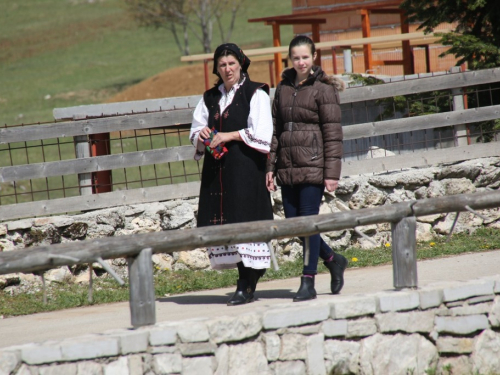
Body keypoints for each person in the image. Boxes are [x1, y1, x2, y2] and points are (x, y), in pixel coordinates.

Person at [189, 43, 274, 306]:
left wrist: (229, 135)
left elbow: (262, 134)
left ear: (241, 64)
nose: (227, 69)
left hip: (247, 170)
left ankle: (245, 283)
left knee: (245, 223)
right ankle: (246, 281)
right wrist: (201, 135)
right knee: (228, 226)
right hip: (218, 173)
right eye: (222, 65)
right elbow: (195, 131)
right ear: (216, 68)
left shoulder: (255, 93)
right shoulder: (210, 98)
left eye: (231, 64)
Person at [266, 35, 347, 302]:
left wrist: (331, 174)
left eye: (304, 57)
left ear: (314, 57)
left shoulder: (324, 90)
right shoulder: (282, 89)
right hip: (287, 168)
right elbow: (275, 132)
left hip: (313, 166)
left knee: (308, 222)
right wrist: (270, 166)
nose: (300, 62)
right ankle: (333, 259)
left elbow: (333, 134)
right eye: (295, 57)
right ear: (290, 59)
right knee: (294, 225)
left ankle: (308, 281)